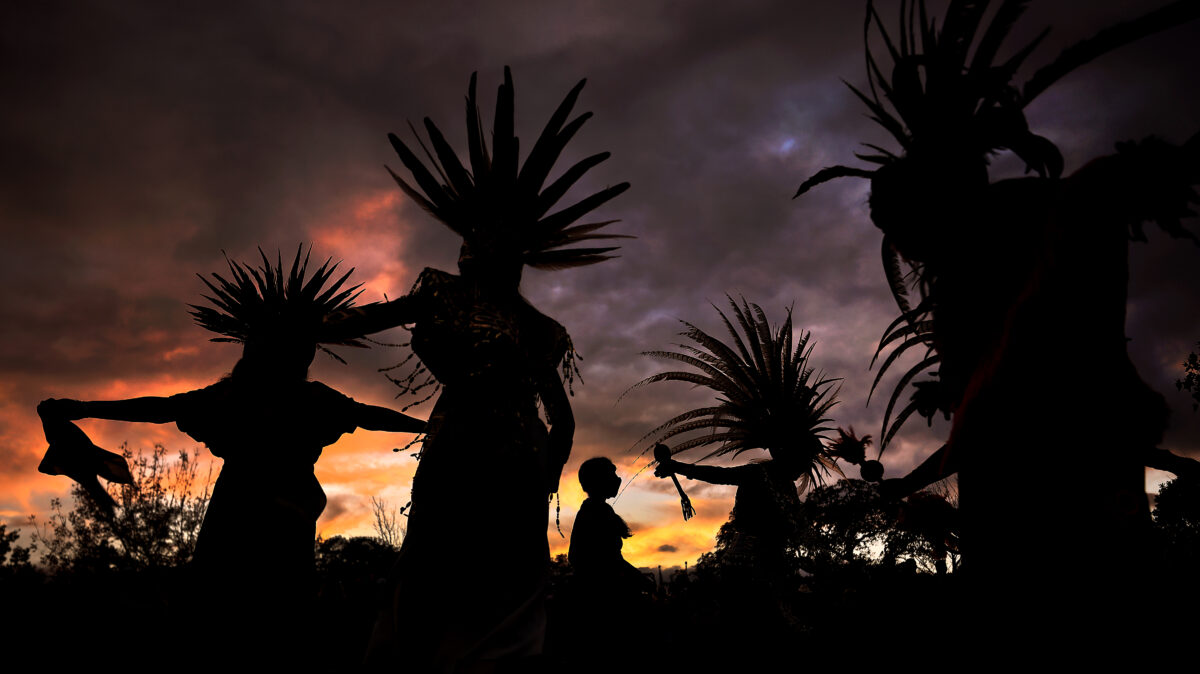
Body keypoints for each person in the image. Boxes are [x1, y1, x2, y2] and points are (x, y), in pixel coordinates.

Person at [328, 67, 629, 671]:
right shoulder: (451, 297)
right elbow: (364, 321)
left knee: (494, 565)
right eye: (476, 239)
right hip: (473, 442)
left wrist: (545, 472)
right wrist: (305, 326)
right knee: (446, 555)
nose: (476, 250)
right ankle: (426, 654)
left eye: (489, 241)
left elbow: (561, 416)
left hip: (505, 449)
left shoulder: (535, 326)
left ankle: (478, 658)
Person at [37, 247, 425, 660]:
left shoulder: (249, 399)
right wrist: (85, 408)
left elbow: (159, 407)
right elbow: (158, 407)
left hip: (247, 525)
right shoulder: (291, 400)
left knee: (235, 627)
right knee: (263, 628)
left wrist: (84, 408)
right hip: (269, 527)